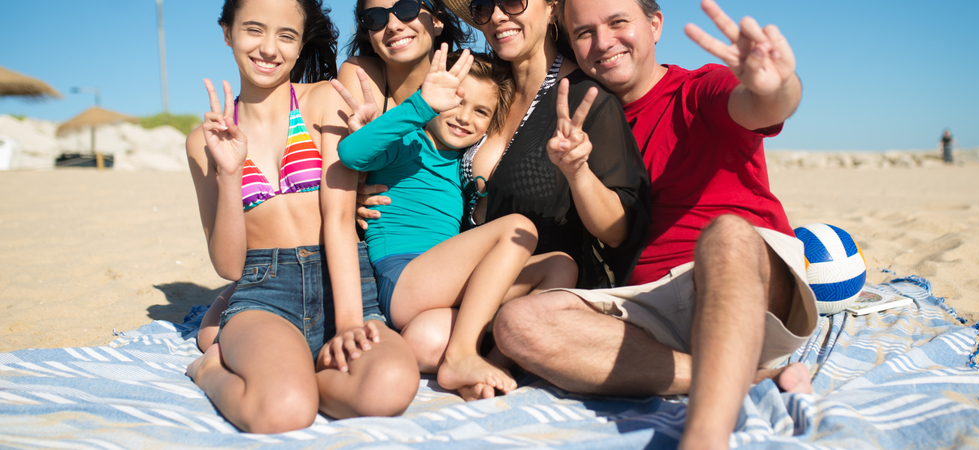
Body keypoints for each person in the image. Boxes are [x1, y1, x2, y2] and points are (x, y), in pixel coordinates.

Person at [492, 0, 818, 448]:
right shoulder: (576, 126)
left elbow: (762, 105)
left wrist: (777, 85)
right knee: (518, 323)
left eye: (618, 22)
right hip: (647, 311)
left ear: (655, 24)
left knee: (724, 234)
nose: (603, 42)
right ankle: (742, 375)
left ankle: (704, 438)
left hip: (739, 284)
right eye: (584, 33)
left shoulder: (698, 89)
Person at [354, 0, 650, 393]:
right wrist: (362, 184)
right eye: (481, 7)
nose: (496, 16)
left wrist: (577, 173)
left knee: (431, 337)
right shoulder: (483, 83)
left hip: (512, 296)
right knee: (428, 336)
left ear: (551, 8)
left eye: (512, 0)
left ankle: (489, 367)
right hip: (441, 277)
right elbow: (410, 161)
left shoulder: (585, 99)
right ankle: (465, 356)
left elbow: (618, 232)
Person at [183, 0, 418, 433]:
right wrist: (230, 174)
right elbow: (229, 265)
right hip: (264, 294)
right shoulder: (203, 140)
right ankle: (211, 371)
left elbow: (339, 219)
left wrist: (349, 324)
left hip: (345, 285)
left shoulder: (325, 100)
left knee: (390, 386)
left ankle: (301, 377)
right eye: (254, 30)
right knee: (284, 412)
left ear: (299, 43)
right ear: (226, 32)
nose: (269, 48)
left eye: (286, 35)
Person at [196, 0, 473, 358]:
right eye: (375, 17)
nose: (392, 24)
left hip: (413, 255)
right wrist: (355, 188)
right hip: (365, 255)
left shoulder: (473, 78)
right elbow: (348, 160)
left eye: (405, 7)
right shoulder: (361, 76)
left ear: (436, 19)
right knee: (214, 333)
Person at [337, 46, 578, 396]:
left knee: (560, 266)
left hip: (437, 298)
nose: (465, 117)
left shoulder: (462, 165)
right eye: (455, 101)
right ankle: (463, 355)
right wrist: (420, 106)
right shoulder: (407, 141)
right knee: (519, 230)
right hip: (403, 278)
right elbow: (351, 153)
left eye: (481, 111)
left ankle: (492, 365)